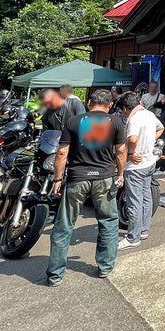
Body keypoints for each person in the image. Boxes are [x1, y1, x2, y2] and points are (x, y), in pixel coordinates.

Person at [46, 89, 127, 285]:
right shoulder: (116, 122)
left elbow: (62, 153)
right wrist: (121, 174)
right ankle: (105, 267)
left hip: (77, 177)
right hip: (105, 178)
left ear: (89, 102)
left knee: (64, 225)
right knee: (108, 222)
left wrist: (57, 179)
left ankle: (55, 274)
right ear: (109, 106)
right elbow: (121, 151)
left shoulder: (73, 122)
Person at [117, 92, 163, 248]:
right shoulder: (149, 114)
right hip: (150, 163)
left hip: (136, 167)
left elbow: (132, 139)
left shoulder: (135, 119)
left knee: (134, 202)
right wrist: (150, 141)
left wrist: (130, 154)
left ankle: (133, 238)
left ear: (125, 108)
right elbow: (160, 128)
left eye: (122, 110)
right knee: (146, 197)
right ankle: (143, 230)